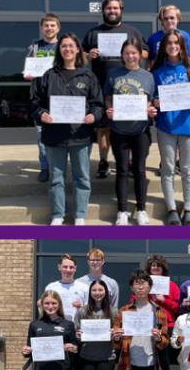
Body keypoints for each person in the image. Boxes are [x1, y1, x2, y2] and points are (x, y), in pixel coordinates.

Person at [30, 32, 104, 226]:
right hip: (55, 137)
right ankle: (58, 214)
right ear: (59, 50)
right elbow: (35, 102)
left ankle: (79, 215)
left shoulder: (88, 76)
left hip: (81, 136)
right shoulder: (48, 75)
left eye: (71, 45)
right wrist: (41, 114)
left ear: (78, 49)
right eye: (64, 46)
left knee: (82, 177)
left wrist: (93, 116)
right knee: (56, 178)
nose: (68, 49)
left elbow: (98, 105)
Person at [82, 0, 149, 179]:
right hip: (102, 88)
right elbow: (80, 55)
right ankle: (103, 162)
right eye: (108, 8)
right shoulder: (93, 32)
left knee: (127, 126)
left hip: (128, 87)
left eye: (115, 8)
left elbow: (145, 52)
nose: (112, 11)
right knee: (104, 128)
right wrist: (88, 55)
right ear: (103, 11)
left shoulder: (132, 31)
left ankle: (127, 162)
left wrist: (132, 54)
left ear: (121, 10)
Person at [151, 29, 190, 225]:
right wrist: (156, 101)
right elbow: (152, 95)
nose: (173, 46)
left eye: (177, 43)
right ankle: (172, 209)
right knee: (167, 169)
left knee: (187, 170)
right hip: (166, 126)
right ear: (164, 47)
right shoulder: (157, 72)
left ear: (182, 46)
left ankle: (189, 209)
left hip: (189, 125)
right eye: (169, 43)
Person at [104, 39, 157, 226]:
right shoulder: (113, 74)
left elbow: (150, 101)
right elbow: (108, 98)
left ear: (140, 55)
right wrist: (109, 110)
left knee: (140, 169)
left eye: (134, 52)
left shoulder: (148, 76)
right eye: (127, 53)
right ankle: (123, 211)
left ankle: (141, 209)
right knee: (122, 170)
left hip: (140, 129)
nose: (130, 56)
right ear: (122, 55)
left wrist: (150, 110)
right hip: (119, 129)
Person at [131, 255, 180, 370]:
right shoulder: (143, 285)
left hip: (166, 325)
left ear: (163, 268)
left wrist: (165, 300)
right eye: (153, 266)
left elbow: (179, 307)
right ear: (149, 268)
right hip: (145, 325)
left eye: (158, 266)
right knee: (145, 357)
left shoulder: (171, 285)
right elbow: (132, 302)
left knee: (163, 359)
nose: (156, 268)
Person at [24, 13, 60, 183]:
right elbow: (28, 68)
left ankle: (57, 167)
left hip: (59, 98)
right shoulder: (34, 48)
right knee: (41, 136)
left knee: (61, 134)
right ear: (41, 28)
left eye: (52, 25)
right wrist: (28, 75)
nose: (49, 28)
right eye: (46, 25)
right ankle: (45, 167)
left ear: (58, 28)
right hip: (39, 98)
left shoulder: (64, 47)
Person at [146, 5, 190, 70]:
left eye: (172, 18)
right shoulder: (153, 38)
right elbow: (148, 61)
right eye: (165, 18)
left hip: (181, 76)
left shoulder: (184, 36)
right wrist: (150, 75)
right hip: (160, 76)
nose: (169, 20)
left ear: (178, 19)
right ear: (162, 20)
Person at [42, 254, 89, 322]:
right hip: (55, 326)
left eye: (71, 267)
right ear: (59, 267)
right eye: (65, 267)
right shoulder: (51, 287)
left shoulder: (84, 288)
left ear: (75, 268)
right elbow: (45, 311)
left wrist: (81, 308)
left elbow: (89, 312)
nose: (68, 270)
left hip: (77, 328)